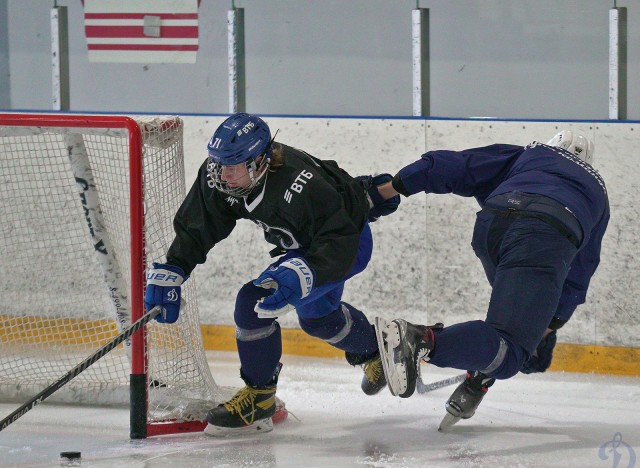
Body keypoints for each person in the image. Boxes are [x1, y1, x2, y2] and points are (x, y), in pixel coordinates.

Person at [143, 113, 400, 436]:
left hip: (341, 246)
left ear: (260, 161)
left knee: (253, 301)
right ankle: (377, 350)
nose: (222, 175)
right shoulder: (223, 174)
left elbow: (339, 234)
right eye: (219, 164)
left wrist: (305, 270)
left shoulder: (300, 185)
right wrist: (175, 266)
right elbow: (201, 222)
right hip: (302, 249)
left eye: (232, 167)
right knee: (318, 319)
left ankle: (259, 397)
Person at [366, 130, 609, 430]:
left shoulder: (529, 154)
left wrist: (393, 187)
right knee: (511, 352)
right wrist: (552, 323)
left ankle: (479, 373)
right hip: (544, 233)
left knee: (510, 327)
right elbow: (579, 272)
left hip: (492, 226)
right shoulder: (596, 190)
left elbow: (457, 166)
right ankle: (421, 341)